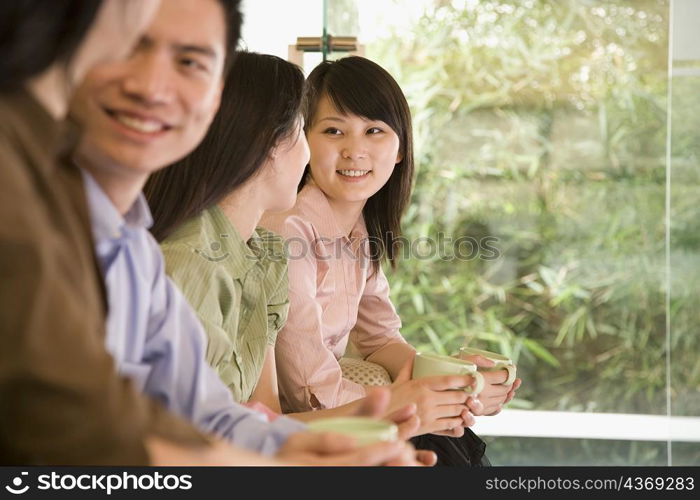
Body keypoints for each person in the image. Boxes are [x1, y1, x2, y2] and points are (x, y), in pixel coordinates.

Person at [69, 0, 425, 466]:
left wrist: (302, 453)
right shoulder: (192, 258)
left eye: (191, 63)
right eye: (323, 131)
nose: (154, 87)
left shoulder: (229, 251)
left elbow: (232, 416)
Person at [261, 56, 522, 466]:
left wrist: (457, 383)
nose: (354, 150)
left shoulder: (361, 227)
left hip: (341, 416)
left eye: (374, 131)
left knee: (452, 437)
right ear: (304, 141)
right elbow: (308, 390)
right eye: (333, 130)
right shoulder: (291, 230)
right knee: (443, 445)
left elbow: (381, 339)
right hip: (304, 429)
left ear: (400, 149)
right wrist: (414, 405)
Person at [0, 0, 211, 465]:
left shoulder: (137, 246)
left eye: (190, 62)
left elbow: (177, 414)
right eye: (135, 46)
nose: (149, 86)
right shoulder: (17, 165)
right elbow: (67, 418)